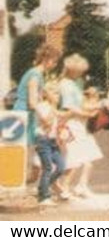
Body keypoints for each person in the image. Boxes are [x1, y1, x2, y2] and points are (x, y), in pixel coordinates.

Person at [12, 44, 58, 193]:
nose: (55, 64)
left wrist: (49, 95)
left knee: (27, 151)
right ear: (46, 59)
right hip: (23, 115)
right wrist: (44, 118)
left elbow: (40, 92)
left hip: (27, 116)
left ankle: (22, 185)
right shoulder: (35, 74)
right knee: (22, 151)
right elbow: (32, 102)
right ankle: (16, 186)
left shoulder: (37, 75)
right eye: (54, 60)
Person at [57, 54, 103, 201]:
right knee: (76, 157)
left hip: (80, 124)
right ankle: (63, 187)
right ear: (73, 70)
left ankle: (81, 186)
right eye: (80, 70)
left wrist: (94, 107)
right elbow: (69, 107)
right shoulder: (65, 84)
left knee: (90, 155)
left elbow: (81, 103)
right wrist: (86, 113)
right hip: (72, 124)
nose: (81, 73)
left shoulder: (74, 84)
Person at [33, 81, 67, 205]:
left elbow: (62, 119)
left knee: (61, 167)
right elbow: (46, 122)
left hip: (53, 141)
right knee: (47, 167)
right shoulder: (42, 106)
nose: (57, 96)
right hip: (42, 140)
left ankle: (44, 187)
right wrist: (53, 108)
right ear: (46, 94)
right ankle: (44, 196)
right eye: (54, 93)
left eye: (58, 94)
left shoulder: (54, 108)